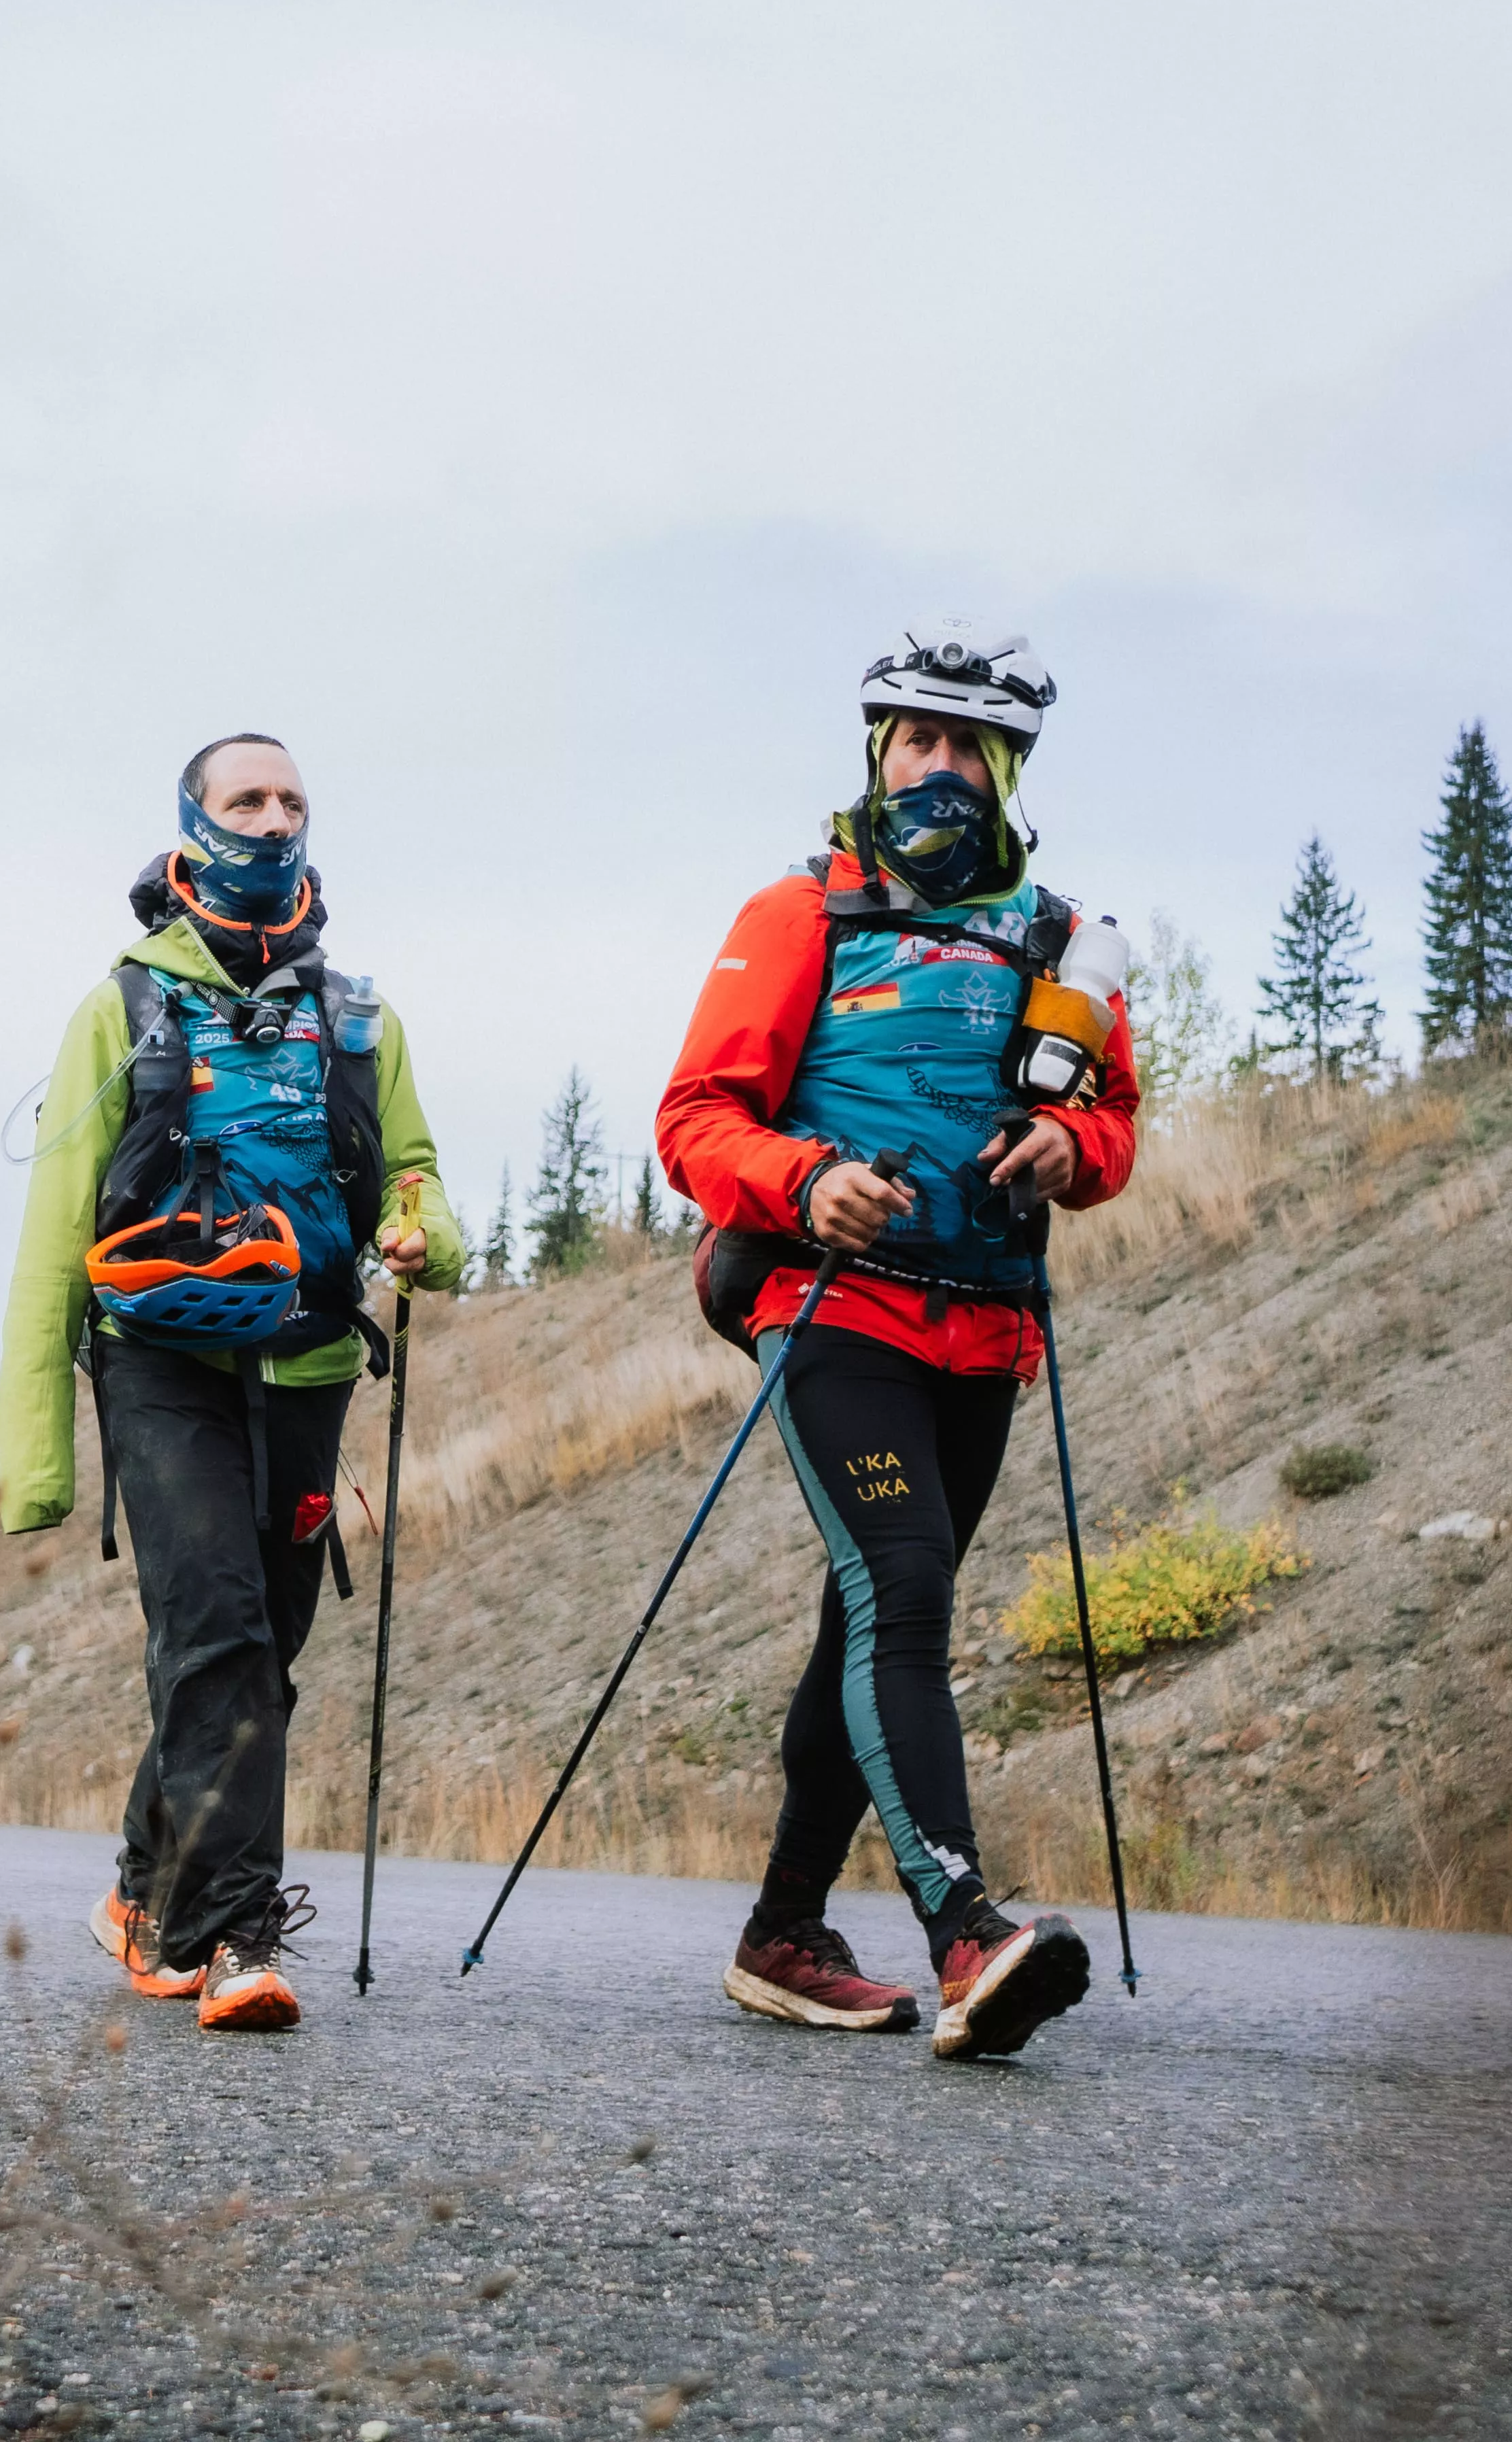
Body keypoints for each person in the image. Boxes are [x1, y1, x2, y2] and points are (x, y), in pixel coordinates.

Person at [656, 623, 1142, 2061]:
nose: (934, 768)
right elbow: (693, 1118)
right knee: (908, 1584)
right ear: (877, 753)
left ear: (1001, 770)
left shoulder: (1062, 939)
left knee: (861, 1621)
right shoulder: (796, 913)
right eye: (912, 743)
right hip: (825, 1303)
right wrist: (805, 1179)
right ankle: (964, 1933)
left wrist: (1072, 1145)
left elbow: (1114, 1122)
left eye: (961, 749)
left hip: (984, 1331)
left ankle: (784, 1938)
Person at [0, 734, 466, 2032]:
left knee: (258, 1651)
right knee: (216, 1635)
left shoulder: (356, 1018)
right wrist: (34, 1461)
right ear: (191, 826)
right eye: (245, 798)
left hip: (310, 1359)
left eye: (291, 801)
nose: (272, 818)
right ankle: (230, 1935)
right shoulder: (121, 1004)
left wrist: (426, 1231)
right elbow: (51, 1241)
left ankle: (147, 1882)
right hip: (159, 1363)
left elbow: (413, 1170)